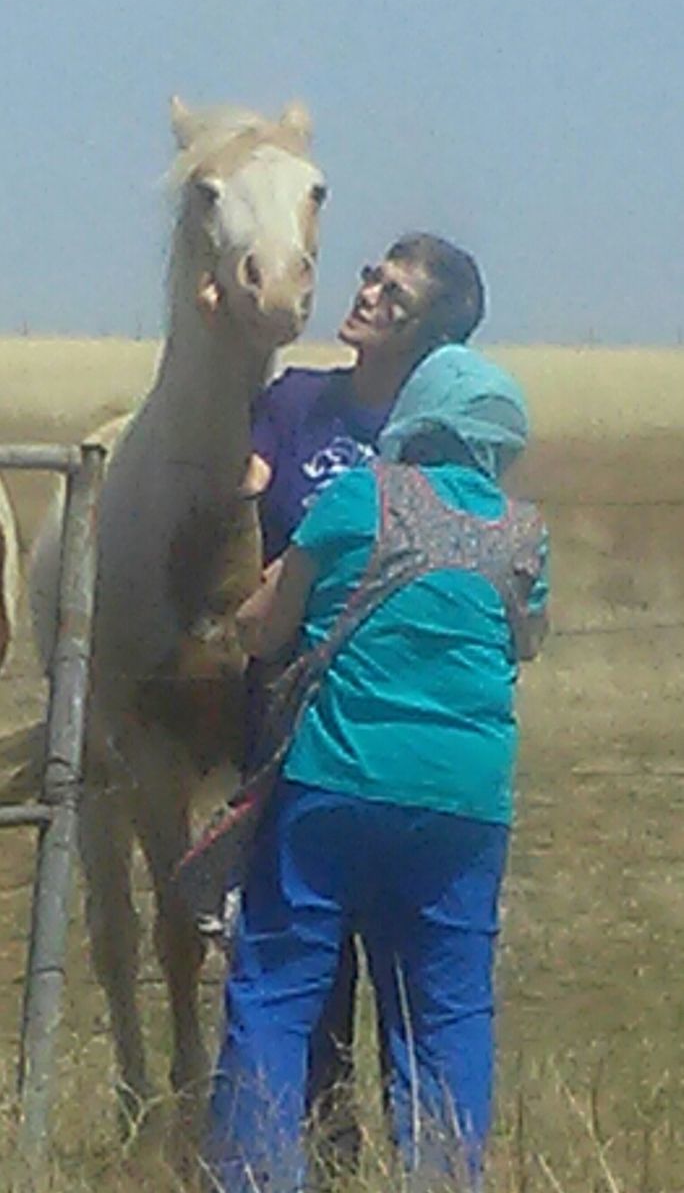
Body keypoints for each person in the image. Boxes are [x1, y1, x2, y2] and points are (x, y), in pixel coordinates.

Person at [208, 343, 550, 1192]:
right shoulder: (525, 532)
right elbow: (525, 639)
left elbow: (266, 627)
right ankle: (443, 1178)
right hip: (469, 803)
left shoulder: (356, 494)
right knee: (447, 1009)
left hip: (338, 778)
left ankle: (256, 1177)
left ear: (417, 420)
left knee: (277, 989)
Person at [244, 233, 487, 1149]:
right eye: (374, 277)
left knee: (399, 963)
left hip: (380, 716)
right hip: (286, 714)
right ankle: (321, 1138)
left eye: (397, 295)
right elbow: (244, 501)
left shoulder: (436, 443)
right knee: (303, 965)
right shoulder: (295, 399)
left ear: (432, 341)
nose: (369, 293)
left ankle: (406, 1150)